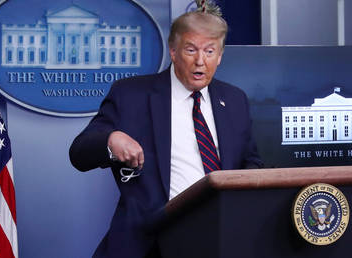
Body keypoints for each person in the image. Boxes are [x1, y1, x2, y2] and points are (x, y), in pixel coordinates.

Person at [69, 1, 263, 257]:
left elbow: (251, 163)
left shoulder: (235, 100)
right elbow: (79, 153)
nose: (200, 61)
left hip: (220, 238)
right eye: (191, 50)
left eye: (209, 51)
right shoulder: (131, 95)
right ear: (173, 51)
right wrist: (111, 140)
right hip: (149, 243)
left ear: (220, 55)